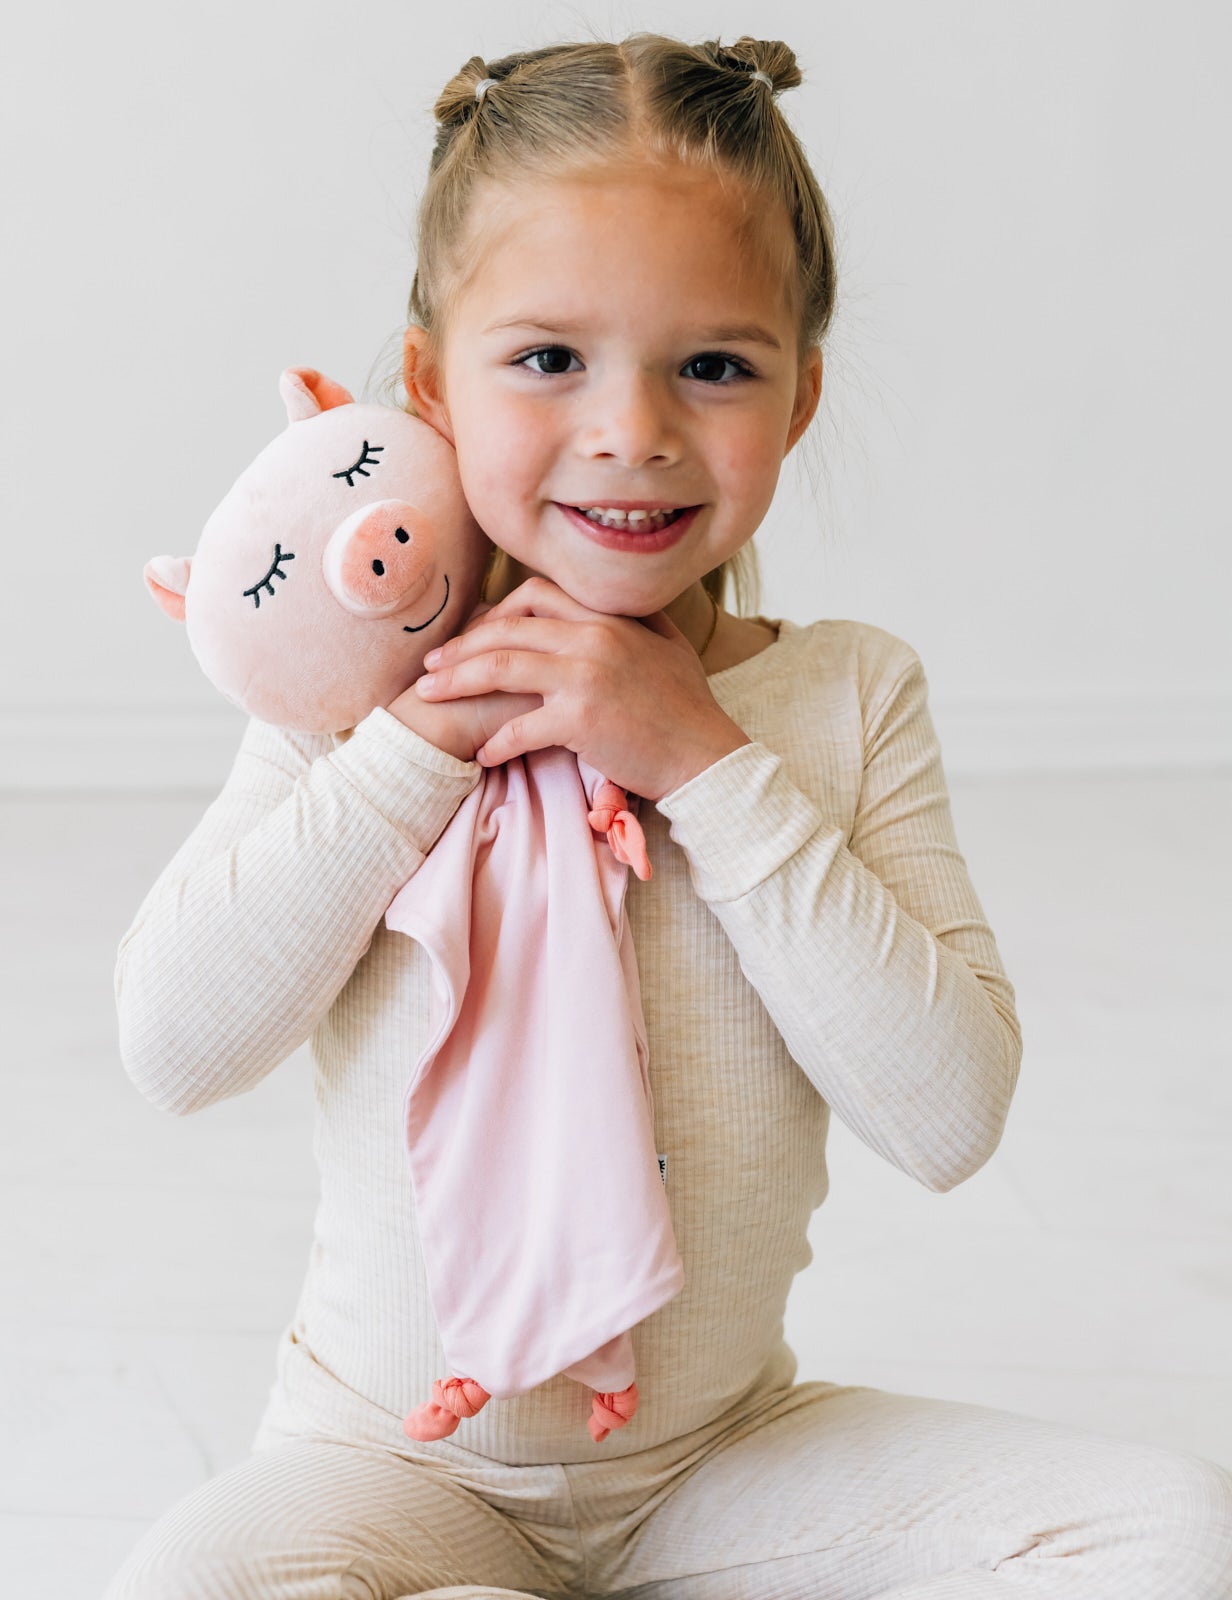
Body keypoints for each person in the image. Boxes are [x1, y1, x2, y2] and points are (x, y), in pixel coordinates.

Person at [104, 33, 1232, 1599]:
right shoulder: (356, 690)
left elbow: (949, 1114)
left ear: (801, 392)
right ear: (431, 382)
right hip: (391, 1469)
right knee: (189, 1584)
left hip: (719, 1466)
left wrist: (704, 765)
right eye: (549, 358)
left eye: (713, 364)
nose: (631, 429)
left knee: (1178, 1532)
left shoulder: (843, 700)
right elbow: (173, 1046)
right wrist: (413, 753)